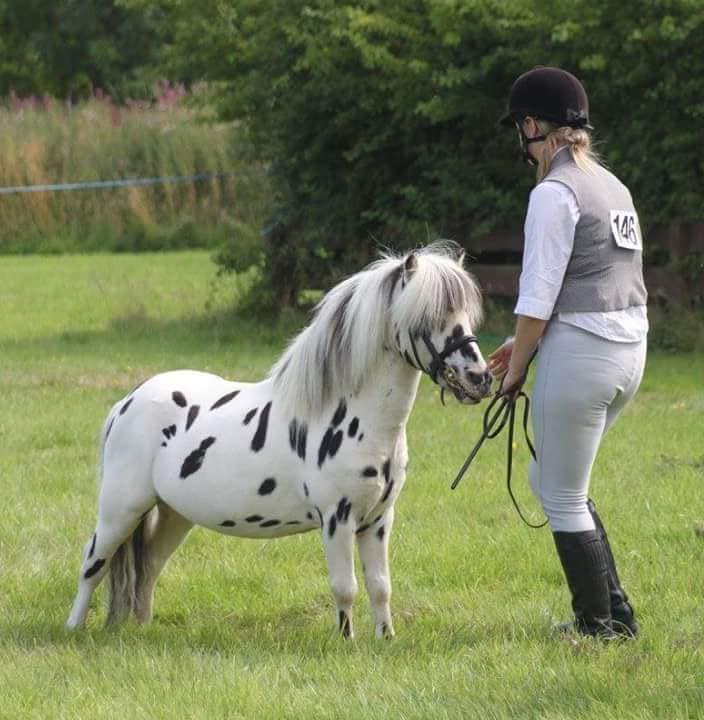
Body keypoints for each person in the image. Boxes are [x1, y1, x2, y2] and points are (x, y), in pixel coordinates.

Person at [489, 66, 648, 639]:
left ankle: (596, 626)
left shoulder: (553, 193)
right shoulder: (612, 185)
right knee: (554, 483)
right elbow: (594, 278)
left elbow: (537, 300)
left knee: (559, 492)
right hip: (629, 351)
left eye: (521, 127)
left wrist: (516, 371)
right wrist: (522, 346)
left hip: (584, 354)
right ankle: (617, 614)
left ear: (533, 125)